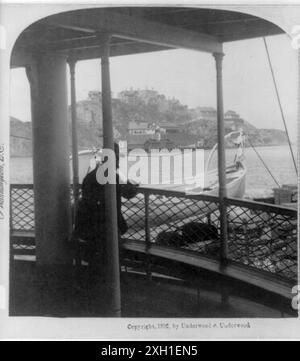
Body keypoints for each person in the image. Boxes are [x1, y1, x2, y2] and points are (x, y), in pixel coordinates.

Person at [74, 143, 138, 284]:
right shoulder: (112, 177)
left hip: (88, 227)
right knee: (113, 254)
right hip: (105, 227)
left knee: (96, 259)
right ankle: (112, 284)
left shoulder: (90, 176)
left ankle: (96, 284)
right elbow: (125, 195)